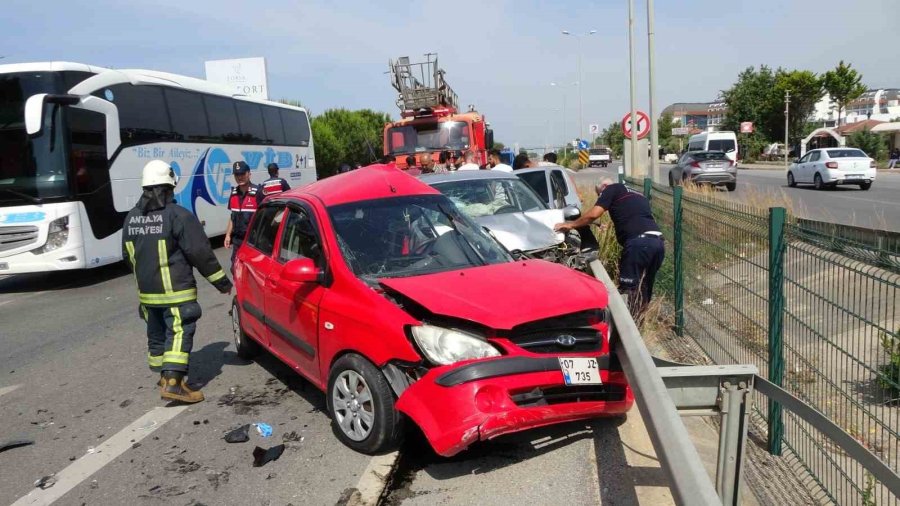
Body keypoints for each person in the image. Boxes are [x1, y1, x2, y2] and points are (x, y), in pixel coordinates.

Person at [122, 160, 233, 403]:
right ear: (169, 187)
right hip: (176, 292)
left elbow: (128, 255)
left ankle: (165, 376)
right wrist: (222, 283)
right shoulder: (179, 216)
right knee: (181, 330)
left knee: (158, 333)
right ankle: (173, 383)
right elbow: (200, 253)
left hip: (147, 294)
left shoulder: (131, 218)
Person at [554, 178, 664, 318]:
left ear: (604, 186)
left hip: (638, 244)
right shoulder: (637, 194)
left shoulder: (611, 188)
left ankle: (626, 329)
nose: (601, 198)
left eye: (600, 194)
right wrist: (598, 224)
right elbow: (630, 215)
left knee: (628, 290)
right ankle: (639, 325)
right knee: (644, 289)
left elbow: (594, 213)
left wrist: (571, 225)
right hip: (657, 243)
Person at [224, 161, 262, 273]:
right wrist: (227, 235)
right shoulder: (234, 193)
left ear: (249, 174)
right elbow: (232, 216)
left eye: (242, 174)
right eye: (237, 175)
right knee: (235, 269)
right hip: (238, 240)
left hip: (254, 241)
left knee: (253, 271)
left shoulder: (258, 192)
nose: (240, 177)